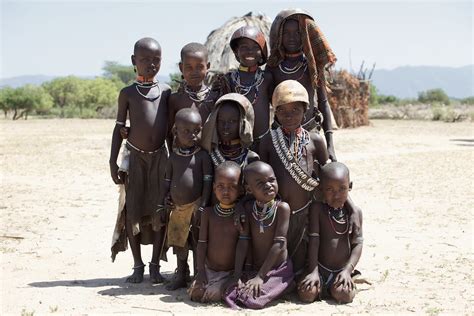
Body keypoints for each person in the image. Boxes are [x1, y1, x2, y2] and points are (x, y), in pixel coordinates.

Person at [109, 37, 171, 283]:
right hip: (134, 159)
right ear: (134, 61)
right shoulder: (127, 94)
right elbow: (118, 128)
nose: (151, 64)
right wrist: (112, 162)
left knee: (159, 211)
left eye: (156, 60)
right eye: (145, 59)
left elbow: (171, 128)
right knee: (132, 210)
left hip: (160, 159)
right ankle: (137, 265)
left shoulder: (166, 92)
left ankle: (155, 264)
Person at [258, 80, 329, 279]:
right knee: (279, 259)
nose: (289, 117)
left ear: (305, 112)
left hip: (306, 212)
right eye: (283, 112)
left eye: (295, 111)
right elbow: (261, 178)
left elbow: (327, 174)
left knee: (301, 261)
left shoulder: (315, 140)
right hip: (278, 213)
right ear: (275, 113)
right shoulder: (268, 140)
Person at [266, 9, 338, 161]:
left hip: (311, 133)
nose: (292, 37)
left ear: (305, 35)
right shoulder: (273, 67)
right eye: (286, 32)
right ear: (279, 35)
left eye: (297, 32)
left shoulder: (312, 67)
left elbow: (323, 103)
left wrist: (330, 144)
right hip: (280, 135)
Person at [224, 161, 293, 309]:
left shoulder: (282, 208)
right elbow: (243, 241)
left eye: (271, 180)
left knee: (252, 299)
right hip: (255, 268)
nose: (268, 185)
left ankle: (286, 285)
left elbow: (279, 244)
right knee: (233, 292)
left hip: (278, 269)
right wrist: (237, 275)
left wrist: (260, 277)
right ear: (249, 189)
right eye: (260, 183)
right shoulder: (249, 209)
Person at [158, 108, 213, 290]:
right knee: (178, 242)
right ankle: (182, 273)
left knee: (198, 243)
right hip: (177, 209)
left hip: (197, 207)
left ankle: (198, 275)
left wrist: (204, 203)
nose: (193, 136)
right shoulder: (173, 158)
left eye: (197, 131)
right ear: (175, 132)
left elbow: (207, 182)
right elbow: (167, 182)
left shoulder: (202, 156)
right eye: (186, 131)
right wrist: (165, 199)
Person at [298, 162, 363, 303]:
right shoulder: (317, 210)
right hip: (319, 268)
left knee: (344, 295)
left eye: (342, 189)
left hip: (342, 270)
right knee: (307, 294)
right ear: (321, 189)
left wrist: (347, 270)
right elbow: (314, 242)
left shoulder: (354, 214)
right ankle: (321, 284)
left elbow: (357, 244)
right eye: (329, 190)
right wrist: (313, 271)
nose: (336, 195)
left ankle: (344, 282)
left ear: (350, 187)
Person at [188, 161, 242, 303]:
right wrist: (200, 273)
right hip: (209, 271)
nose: (226, 191)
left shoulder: (240, 215)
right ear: (213, 188)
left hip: (230, 272)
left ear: (241, 189)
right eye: (220, 186)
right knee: (196, 294)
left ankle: (223, 286)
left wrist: (236, 275)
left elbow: (244, 247)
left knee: (213, 295)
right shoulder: (208, 213)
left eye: (232, 187)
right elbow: (202, 244)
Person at [215, 26, 274, 154]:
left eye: (255, 48)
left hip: (263, 142)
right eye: (244, 47)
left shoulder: (267, 78)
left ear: (262, 52)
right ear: (236, 52)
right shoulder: (228, 79)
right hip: (236, 144)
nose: (250, 52)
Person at [167, 43, 218, 144]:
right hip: (182, 157)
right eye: (189, 67)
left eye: (199, 67)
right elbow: (169, 133)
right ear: (181, 68)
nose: (194, 72)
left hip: (209, 156)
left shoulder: (214, 97)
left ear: (207, 66)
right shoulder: (176, 99)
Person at [201, 93, 259, 169]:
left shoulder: (250, 158)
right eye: (221, 121)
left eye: (232, 121)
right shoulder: (208, 157)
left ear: (243, 123)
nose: (225, 126)